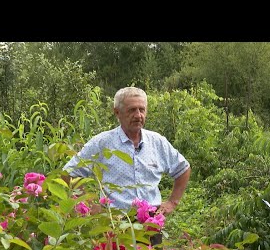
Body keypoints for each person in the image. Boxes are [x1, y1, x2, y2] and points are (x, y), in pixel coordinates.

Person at [63, 86, 191, 227]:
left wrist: (172, 202)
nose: (138, 115)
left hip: (151, 224)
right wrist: (90, 205)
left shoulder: (157, 142)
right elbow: (69, 173)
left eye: (141, 110)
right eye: (131, 110)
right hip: (115, 224)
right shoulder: (102, 143)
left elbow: (183, 169)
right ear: (117, 113)